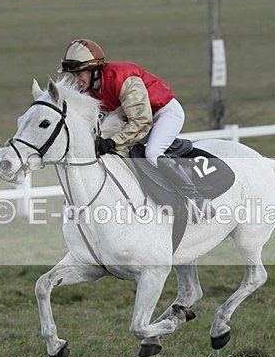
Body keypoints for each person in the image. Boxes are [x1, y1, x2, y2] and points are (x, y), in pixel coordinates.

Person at [59, 38, 213, 221]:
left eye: (79, 74)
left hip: (163, 113)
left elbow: (141, 122)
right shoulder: (89, 90)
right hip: (133, 119)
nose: (76, 80)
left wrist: (112, 141)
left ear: (94, 70)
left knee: (152, 153)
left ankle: (197, 199)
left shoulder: (123, 78)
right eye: (73, 76)